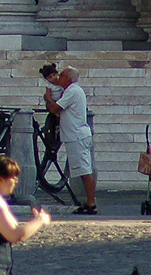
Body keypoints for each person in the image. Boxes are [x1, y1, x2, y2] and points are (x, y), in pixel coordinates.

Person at [42, 66, 96, 214]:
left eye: (62, 75)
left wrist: (48, 99)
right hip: (75, 135)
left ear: (68, 78)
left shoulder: (72, 91)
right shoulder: (71, 91)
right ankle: (88, 201)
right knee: (82, 169)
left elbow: (55, 108)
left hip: (77, 135)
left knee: (85, 170)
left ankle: (91, 203)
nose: (58, 77)